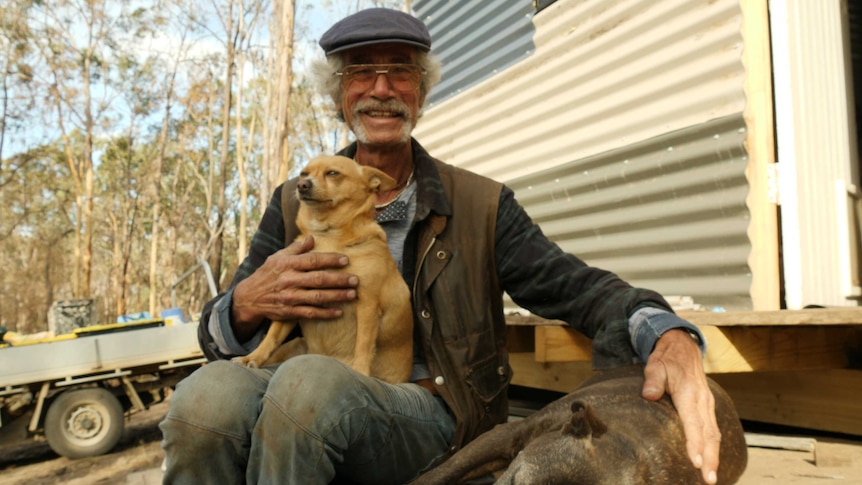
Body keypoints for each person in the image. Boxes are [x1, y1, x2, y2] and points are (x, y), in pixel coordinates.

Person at [160, 8, 722, 485]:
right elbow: (217, 330)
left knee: (308, 386)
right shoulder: (293, 201)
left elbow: (574, 287)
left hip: (429, 409)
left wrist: (663, 329)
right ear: (339, 97)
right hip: (305, 381)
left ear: (422, 93)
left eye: (400, 72)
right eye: (362, 72)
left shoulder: (478, 204)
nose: (382, 88)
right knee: (203, 399)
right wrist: (243, 303)